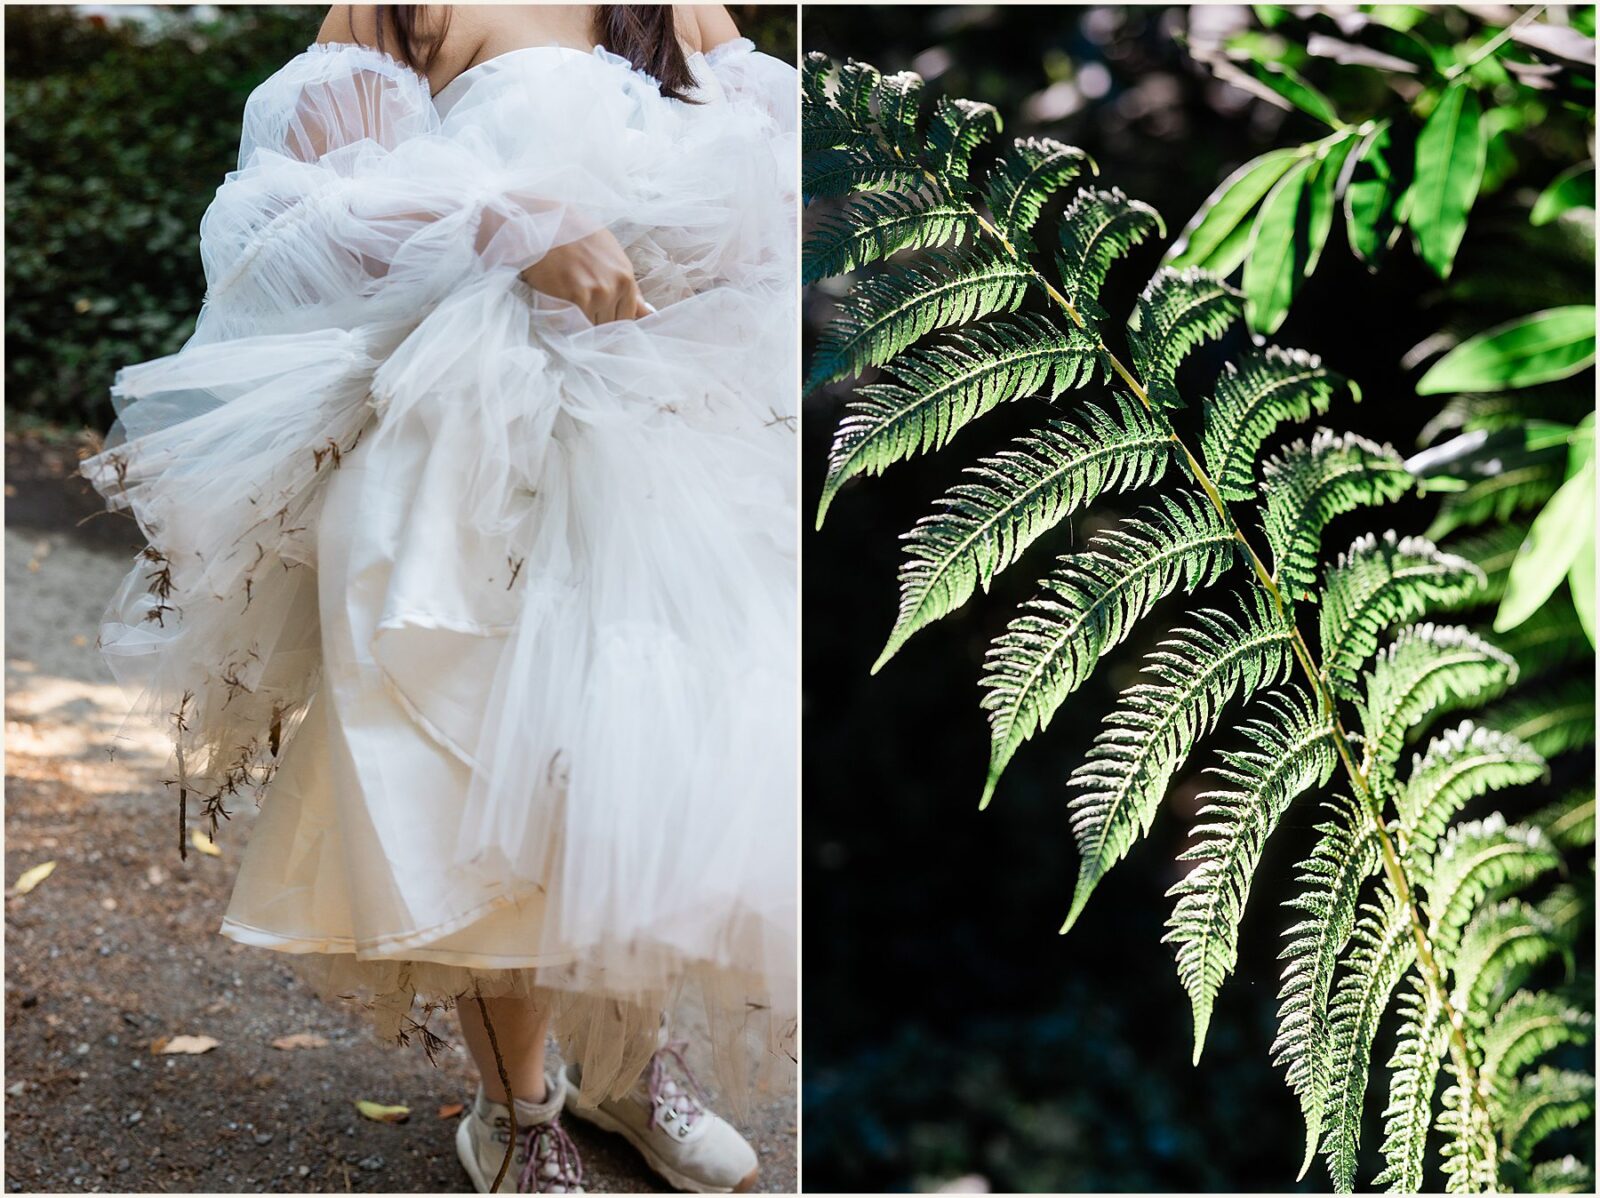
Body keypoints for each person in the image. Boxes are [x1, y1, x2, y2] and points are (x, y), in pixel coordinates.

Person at [80, 5, 797, 1193]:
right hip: (474, 442)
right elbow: (282, 222)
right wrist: (507, 225)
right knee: (480, 768)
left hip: (679, 425)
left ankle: (627, 1061)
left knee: (658, 752)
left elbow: (781, 194)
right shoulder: (411, 3)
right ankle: (516, 1109)